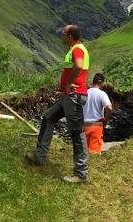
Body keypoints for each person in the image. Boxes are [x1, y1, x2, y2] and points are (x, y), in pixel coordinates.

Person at [26, 24, 89, 183]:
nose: (61, 36)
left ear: (70, 36)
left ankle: (80, 174)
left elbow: (79, 65)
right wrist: (64, 91)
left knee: (76, 133)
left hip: (74, 97)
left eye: (63, 33)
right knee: (48, 118)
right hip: (68, 96)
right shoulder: (74, 48)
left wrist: (68, 84)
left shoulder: (77, 49)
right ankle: (39, 156)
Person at [83, 73, 113, 154]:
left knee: (83, 152)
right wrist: (105, 119)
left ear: (93, 82)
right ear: (102, 83)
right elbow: (109, 108)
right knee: (94, 153)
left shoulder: (85, 92)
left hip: (84, 125)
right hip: (96, 125)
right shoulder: (102, 94)